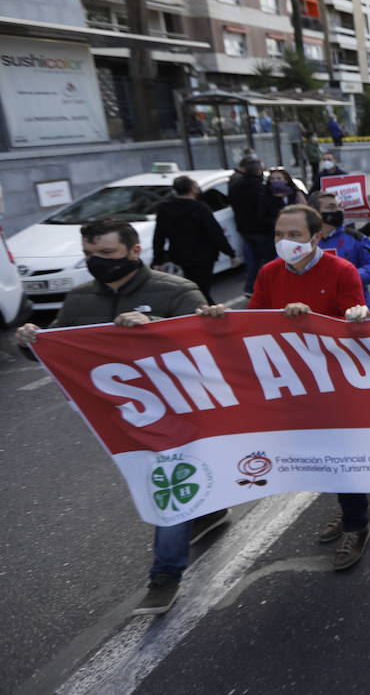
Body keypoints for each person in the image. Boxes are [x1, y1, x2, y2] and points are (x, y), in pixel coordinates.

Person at [16, 219, 225, 616]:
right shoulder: (79, 300)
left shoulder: (175, 291)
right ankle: (210, 510)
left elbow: (208, 344)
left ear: (133, 251)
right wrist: (30, 342)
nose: (97, 262)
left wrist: (155, 329)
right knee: (170, 480)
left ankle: (165, 575)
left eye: (107, 254)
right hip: (124, 418)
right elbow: (58, 347)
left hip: (180, 412)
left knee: (164, 486)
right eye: (89, 255)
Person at [199, 205, 369, 568]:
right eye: (279, 234)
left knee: (341, 455)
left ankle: (357, 525)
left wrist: (311, 319)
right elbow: (252, 322)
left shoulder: (342, 270)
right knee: (321, 456)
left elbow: (354, 327)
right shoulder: (269, 273)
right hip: (290, 383)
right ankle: (347, 507)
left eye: (294, 235)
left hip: (333, 382)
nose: (284, 241)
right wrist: (219, 319)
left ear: (316, 236)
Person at [151, 175, 237, 301]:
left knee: (191, 287)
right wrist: (231, 253)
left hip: (180, 256)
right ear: (192, 189)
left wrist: (158, 260)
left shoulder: (165, 208)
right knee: (202, 290)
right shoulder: (200, 208)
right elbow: (215, 233)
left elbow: (159, 236)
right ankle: (207, 313)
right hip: (203, 256)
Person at [310, 191, 370, 305]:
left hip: (355, 308)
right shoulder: (304, 240)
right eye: (331, 207)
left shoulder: (356, 238)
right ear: (316, 213)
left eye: (340, 207)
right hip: (317, 307)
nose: (339, 211)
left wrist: (351, 275)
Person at [228, 156, 275, 294]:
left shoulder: (235, 185)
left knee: (251, 260)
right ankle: (263, 288)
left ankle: (250, 288)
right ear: (259, 170)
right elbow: (265, 209)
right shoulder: (261, 187)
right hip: (262, 230)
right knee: (266, 261)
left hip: (244, 230)